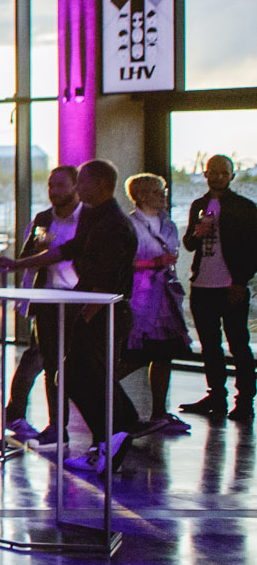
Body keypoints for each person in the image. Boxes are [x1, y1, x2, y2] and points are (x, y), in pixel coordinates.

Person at [8, 158, 149, 471]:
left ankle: (114, 435)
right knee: (80, 375)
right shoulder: (94, 217)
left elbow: (105, 280)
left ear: (99, 185)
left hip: (101, 313)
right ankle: (114, 435)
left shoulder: (112, 223)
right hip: (91, 310)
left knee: (83, 375)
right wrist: (19, 264)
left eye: (82, 181)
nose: (77, 187)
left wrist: (84, 317)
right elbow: (69, 249)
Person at [2, 164, 81, 443]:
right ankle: (56, 426)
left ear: (76, 187)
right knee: (50, 364)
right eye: (50, 185)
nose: (53, 191)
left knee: (72, 363)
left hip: (81, 299)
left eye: (60, 185)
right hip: (48, 298)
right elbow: (26, 255)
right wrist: (37, 253)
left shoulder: (88, 219)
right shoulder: (44, 218)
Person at [182, 154, 257, 420]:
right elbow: (189, 244)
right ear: (205, 174)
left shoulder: (244, 207)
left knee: (238, 344)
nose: (218, 177)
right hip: (202, 284)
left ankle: (245, 401)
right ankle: (216, 396)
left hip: (230, 286)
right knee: (210, 346)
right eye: (213, 172)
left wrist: (240, 282)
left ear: (232, 175)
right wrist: (197, 233)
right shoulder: (199, 205)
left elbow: (253, 249)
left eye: (224, 173)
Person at [122, 172, 193, 433]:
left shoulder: (168, 224)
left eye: (163, 191)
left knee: (165, 353)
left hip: (165, 295)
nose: (163, 196)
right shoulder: (129, 225)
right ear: (140, 196)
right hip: (141, 296)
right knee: (139, 353)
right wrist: (152, 263)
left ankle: (159, 412)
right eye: (156, 192)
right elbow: (123, 262)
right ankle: (101, 390)